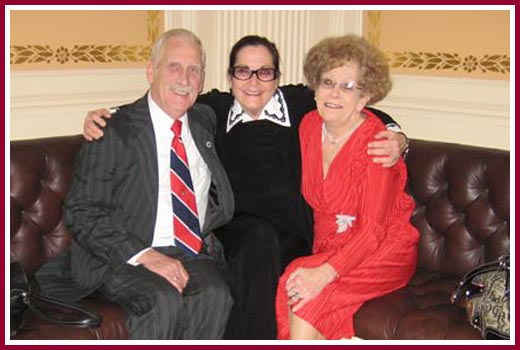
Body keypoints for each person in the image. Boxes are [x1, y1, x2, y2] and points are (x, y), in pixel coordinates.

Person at [82, 35, 408, 340]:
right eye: (243, 71)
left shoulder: (301, 107)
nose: (253, 82)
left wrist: (398, 139)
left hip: (296, 231)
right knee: (259, 241)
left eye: (264, 72)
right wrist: (110, 117)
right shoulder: (214, 110)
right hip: (235, 228)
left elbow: (362, 112)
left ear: (278, 77)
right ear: (230, 77)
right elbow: (165, 101)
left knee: (283, 255)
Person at [34, 29, 234, 340]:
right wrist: (145, 255)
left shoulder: (203, 119)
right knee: (162, 299)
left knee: (218, 294)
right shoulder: (112, 130)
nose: (185, 78)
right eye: (174, 66)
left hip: (188, 250)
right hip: (123, 256)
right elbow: (82, 211)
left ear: (203, 79)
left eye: (194, 69)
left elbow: (253, 95)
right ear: (151, 71)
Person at [275, 34, 419, 340]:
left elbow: (372, 233)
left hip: (382, 249)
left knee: (311, 298)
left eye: (347, 86)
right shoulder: (309, 126)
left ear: (364, 98)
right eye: (327, 82)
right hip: (333, 246)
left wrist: (325, 273)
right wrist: (320, 267)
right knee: (293, 280)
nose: (334, 93)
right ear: (315, 87)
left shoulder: (378, 146)